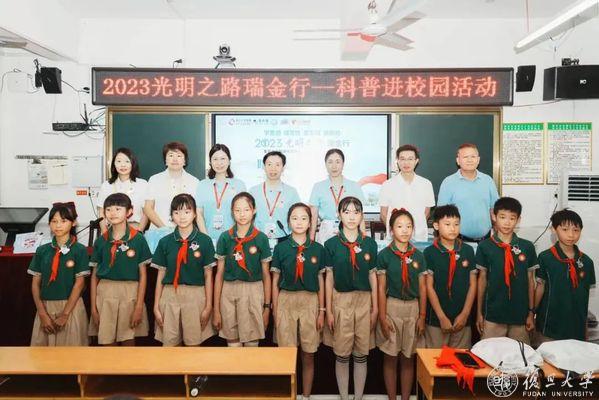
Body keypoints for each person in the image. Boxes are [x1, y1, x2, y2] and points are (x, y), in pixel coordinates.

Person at [323, 196, 378, 400]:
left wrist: (376, 308)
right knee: (342, 353)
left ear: (362, 215)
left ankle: (359, 396)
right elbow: (329, 278)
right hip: (341, 301)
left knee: (361, 353)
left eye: (356, 212)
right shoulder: (331, 244)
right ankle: (344, 397)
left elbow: (373, 276)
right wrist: (328, 310)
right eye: (346, 212)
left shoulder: (370, 244)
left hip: (364, 301)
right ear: (339, 215)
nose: (351, 217)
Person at [271, 203, 325, 400]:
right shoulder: (281, 248)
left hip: (310, 301)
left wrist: (322, 310)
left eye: (304, 218)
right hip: (286, 300)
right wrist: (275, 309)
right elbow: (275, 280)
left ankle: (306, 395)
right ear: (288, 222)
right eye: (294, 218)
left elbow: (321, 280)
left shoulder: (318, 249)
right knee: (287, 353)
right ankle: (289, 395)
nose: (299, 222)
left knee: (308, 353)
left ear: (311, 222)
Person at [376, 208, 427, 400]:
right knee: (390, 358)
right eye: (399, 226)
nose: (404, 230)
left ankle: (405, 397)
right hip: (392, 307)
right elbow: (381, 288)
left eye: (408, 226)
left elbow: (423, 288)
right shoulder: (384, 255)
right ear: (391, 230)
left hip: (413, 309)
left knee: (408, 358)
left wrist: (422, 316)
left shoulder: (419, 256)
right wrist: (382, 317)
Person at [152, 194, 216, 346]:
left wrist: (208, 305)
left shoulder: (205, 241)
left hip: (196, 296)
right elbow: (160, 275)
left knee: (193, 345)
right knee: (170, 345)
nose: (182, 217)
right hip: (169, 295)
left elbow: (208, 275)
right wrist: (156, 306)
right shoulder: (165, 242)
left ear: (194, 214)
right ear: (172, 216)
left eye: (187, 212)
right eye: (177, 212)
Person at [89, 193, 152, 345]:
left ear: (129, 211)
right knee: (106, 341)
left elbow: (143, 275)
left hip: (130, 294)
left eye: (118, 209)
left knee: (128, 342)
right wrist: (93, 308)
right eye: (108, 209)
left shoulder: (138, 239)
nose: (113, 213)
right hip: (105, 293)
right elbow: (94, 276)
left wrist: (139, 306)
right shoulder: (101, 240)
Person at [213, 192, 272, 347]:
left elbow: (266, 275)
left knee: (252, 341)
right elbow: (219, 274)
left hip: (253, 290)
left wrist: (267, 307)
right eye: (237, 210)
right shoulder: (225, 237)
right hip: (228, 290)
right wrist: (216, 308)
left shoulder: (261, 238)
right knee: (232, 342)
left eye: (246, 209)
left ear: (254, 210)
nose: (242, 214)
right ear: (232, 212)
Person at [475, 197, 537, 345]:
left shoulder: (527, 247)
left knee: (520, 356)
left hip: (520, 315)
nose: (507, 222)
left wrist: (531, 312)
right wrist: (479, 313)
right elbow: (482, 281)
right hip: (493, 314)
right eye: (502, 217)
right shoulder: (485, 246)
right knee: (489, 354)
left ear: (518, 220)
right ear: (494, 216)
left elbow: (530, 281)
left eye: (512, 218)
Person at [28, 202, 89, 346]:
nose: (58, 225)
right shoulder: (42, 251)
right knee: (43, 355)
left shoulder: (80, 250)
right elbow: (35, 284)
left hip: (71, 307)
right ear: (49, 224)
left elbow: (80, 283)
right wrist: (42, 313)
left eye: (63, 221)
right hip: (46, 307)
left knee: (71, 354)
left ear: (73, 223)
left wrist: (65, 314)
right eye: (54, 221)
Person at [534, 209, 596, 344]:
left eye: (576, 230)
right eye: (565, 229)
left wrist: (585, 326)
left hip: (577, 327)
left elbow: (585, 297)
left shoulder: (587, 262)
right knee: (548, 356)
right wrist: (531, 312)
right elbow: (540, 288)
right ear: (553, 229)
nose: (571, 234)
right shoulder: (545, 257)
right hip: (550, 325)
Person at [424, 205, 477, 349]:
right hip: (436, 319)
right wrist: (441, 317)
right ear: (436, 226)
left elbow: (473, 285)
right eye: (447, 224)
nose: (452, 228)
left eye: (456, 224)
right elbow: (429, 287)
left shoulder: (468, 251)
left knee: (460, 358)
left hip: (462, 319)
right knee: (435, 359)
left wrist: (465, 314)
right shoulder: (430, 252)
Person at [438, 143, 499, 244]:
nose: (469, 160)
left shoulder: (488, 180)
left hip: (486, 240)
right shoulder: (448, 182)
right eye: (465, 157)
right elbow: (441, 213)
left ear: (478, 160)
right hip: (458, 241)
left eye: (473, 157)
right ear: (458, 160)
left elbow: (495, 209)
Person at [144, 142, 200, 251]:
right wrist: (164, 229)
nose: (175, 159)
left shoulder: (194, 182)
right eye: (170, 155)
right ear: (165, 160)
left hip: (186, 235)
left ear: (185, 160)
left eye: (179, 156)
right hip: (158, 233)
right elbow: (148, 208)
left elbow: (196, 211)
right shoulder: (154, 179)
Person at [379, 145, 434, 243]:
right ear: (397, 161)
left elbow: (427, 212)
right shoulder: (387, 185)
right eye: (402, 159)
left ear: (416, 161)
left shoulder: (426, 184)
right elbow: (384, 214)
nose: (406, 163)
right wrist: (395, 230)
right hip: (395, 239)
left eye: (410, 159)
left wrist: (414, 229)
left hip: (419, 238)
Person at [309, 148, 365, 244]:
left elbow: (361, 215)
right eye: (330, 162)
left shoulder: (354, 186)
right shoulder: (318, 187)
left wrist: (363, 237)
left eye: (338, 162)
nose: (334, 166)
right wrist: (311, 240)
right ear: (326, 164)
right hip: (326, 231)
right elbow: (313, 217)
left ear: (343, 164)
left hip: (349, 229)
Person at [196, 144, 246, 245]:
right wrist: (206, 237)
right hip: (208, 239)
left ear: (229, 161)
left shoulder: (239, 185)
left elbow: (244, 213)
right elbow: (198, 213)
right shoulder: (202, 185)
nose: (219, 163)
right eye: (215, 159)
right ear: (210, 162)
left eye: (223, 158)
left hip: (233, 239)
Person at [249, 151, 301, 248]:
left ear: (283, 168)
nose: (273, 168)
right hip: (257, 238)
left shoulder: (291, 192)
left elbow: (298, 216)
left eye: (277, 165)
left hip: (284, 238)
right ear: (264, 167)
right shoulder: (253, 191)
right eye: (269, 164)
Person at [97, 148, 148, 232]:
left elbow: (146, 212)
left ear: (132, 164)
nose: (123, 165)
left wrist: (139, 232)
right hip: (112, 230)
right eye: (119, 161)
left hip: (135, 228)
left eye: (127, 161)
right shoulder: (106, 185)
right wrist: (105, 234)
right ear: (114, 164)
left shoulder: (142, 184)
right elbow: (101, 212)